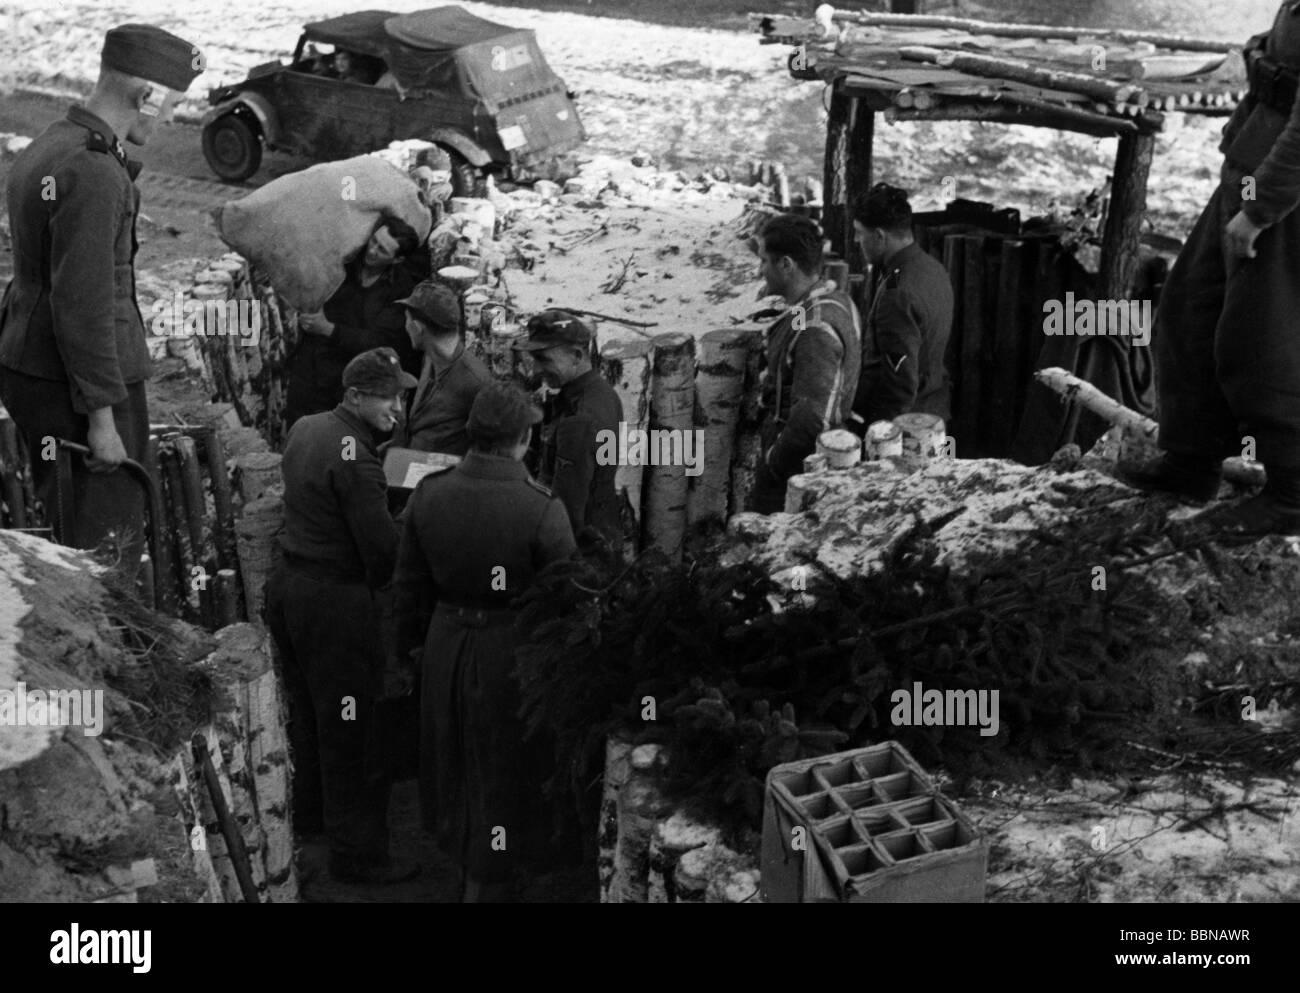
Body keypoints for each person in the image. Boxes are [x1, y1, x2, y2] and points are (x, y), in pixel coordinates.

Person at [0, 25, 202, 570]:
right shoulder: (93, 172)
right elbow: (82, 304)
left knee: (68, 523)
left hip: (37, 366)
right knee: (102, 545)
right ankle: (108, 647)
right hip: (77, 387)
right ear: (147, 96)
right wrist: (102, 421)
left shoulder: (55, 142)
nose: (172, 120)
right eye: (172, 106)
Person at [394, 381, 577, 902]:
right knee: (503, 765)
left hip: (446, 643)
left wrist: (411, 655)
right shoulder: (541, 507)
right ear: (521, 440)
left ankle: (464, 861)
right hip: (511, 654)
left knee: (452, 758)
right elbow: (568, 598)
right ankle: (494, 875)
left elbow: (407, 588)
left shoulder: (431, 492)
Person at [1122, 1, 1300, 536]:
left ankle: (1292, 495)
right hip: (1248, 169)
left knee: (1261, 340)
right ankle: (1190, 461)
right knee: (1189, 308)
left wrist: (1259, 210)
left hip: (1282, 197)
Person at [266, 347, 420, 886]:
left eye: (400, 395)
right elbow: (381, 557)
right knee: (352, 728)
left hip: (290, 591)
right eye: (388, 396)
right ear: (355, 396)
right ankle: (358, 857)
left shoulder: (308, 426)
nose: (397, 408)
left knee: (309, 715)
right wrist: (410, 520)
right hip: (335, 605)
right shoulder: (357, 457)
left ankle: (310, 822)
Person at [749, 213, 862, 514]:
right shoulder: (831, 299)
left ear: (786, 265)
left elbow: (813, 420)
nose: (761, 271)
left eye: (765, 262)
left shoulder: (815, 329)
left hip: (796, 475)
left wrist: (773, 464)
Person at [283, 216, 422, 430]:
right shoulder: (348, 261)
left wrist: (329, 329)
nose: (372, 251)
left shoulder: (400, 289)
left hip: (351, 376)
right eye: (373, 241)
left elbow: (380, 342)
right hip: (313, 362)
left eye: (382, 250)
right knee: (301, 426)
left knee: (341, 439)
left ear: (397, 260)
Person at [512, 310, 623, 549]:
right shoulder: (603, 393)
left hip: (582, 548)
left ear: (576, 355)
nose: (537, 370)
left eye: (544, 360)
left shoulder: (579, 420)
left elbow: (566, 512)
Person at [851, 183, 953, 430]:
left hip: (906, 428)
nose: (856, 240)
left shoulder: (897, 295)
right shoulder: (932, 268)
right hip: (934, 411)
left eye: (859, 232)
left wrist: (882, 437)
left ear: (879, 236)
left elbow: (900, 385)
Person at [390, 280, 493, 456]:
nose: (405, 326)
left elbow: (488, 449)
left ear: (417, 328)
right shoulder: (430, 356)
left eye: (407, 320)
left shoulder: (476, 382)